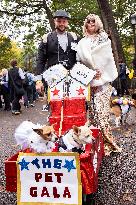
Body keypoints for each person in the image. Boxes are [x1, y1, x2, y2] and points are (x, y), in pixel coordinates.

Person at [76, 14, 121, 156]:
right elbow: (79, 62)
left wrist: (98, 75)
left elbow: (107, 58)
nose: (91, 23)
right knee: (94, 116)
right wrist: (90, 75)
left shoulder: (104, 39)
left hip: (103, 82)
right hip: (88, 83)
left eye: (93, 21)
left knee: (102, 115)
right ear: (86, 25)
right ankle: (98, 144)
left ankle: (109, 144)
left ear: (98, 23)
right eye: (88, 21)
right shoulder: (82, 42)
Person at [36, 9, 80, 111]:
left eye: (64, 21)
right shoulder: (46, 38)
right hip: (53, 80)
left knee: (71, 108)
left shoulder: (74, 37)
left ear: (67, 22)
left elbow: (83, 56)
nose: (61, 24)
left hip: (72, 79)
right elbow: (40, 60)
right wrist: (38, 80)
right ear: (55, 21)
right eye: (59, 21)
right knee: (55, 109)